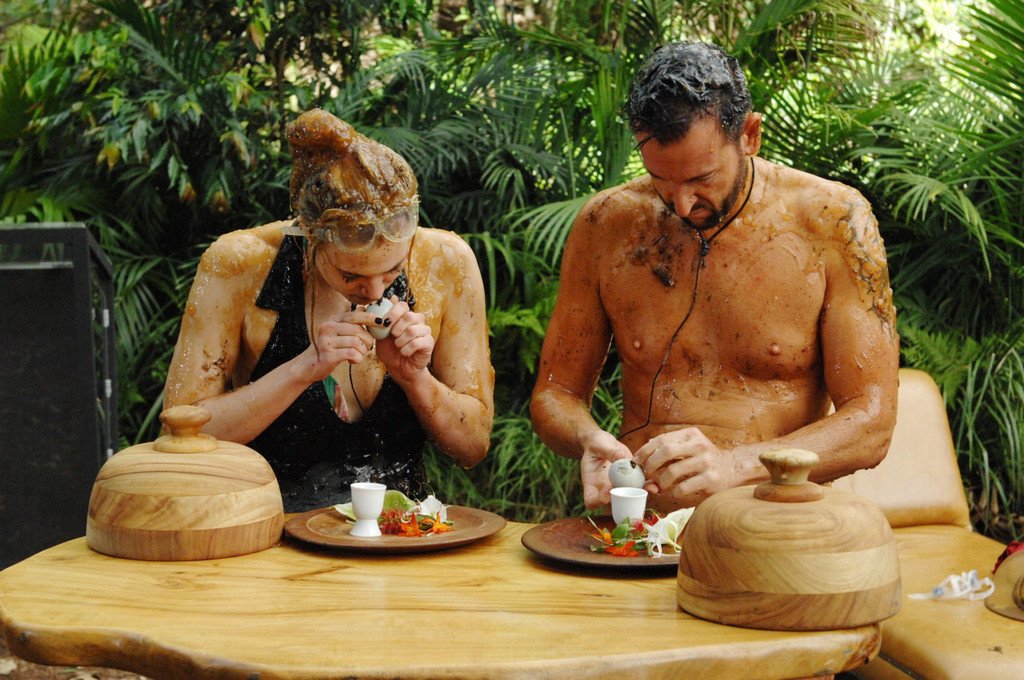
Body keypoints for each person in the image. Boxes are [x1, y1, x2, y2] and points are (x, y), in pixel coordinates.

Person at [530, 41, 899, 512]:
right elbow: (555, 394)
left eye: (701, 179)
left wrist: (737, 466)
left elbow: (872, 423)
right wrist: (587, 438)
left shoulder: (833, 220)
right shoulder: (606, 224)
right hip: (641, 528)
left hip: (771, 522)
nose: (682, 205)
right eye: (661, 180)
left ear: (749, 135)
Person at [164, 109, 494, 512]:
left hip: (403, 529)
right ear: (309, 234)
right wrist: (304, 368)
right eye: (351, 275)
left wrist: (416, 379)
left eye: (392, 270)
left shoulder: (445, 261)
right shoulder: (240, 264)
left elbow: (473, 445)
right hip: (270, 524)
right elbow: (179, 435)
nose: (375, 291)